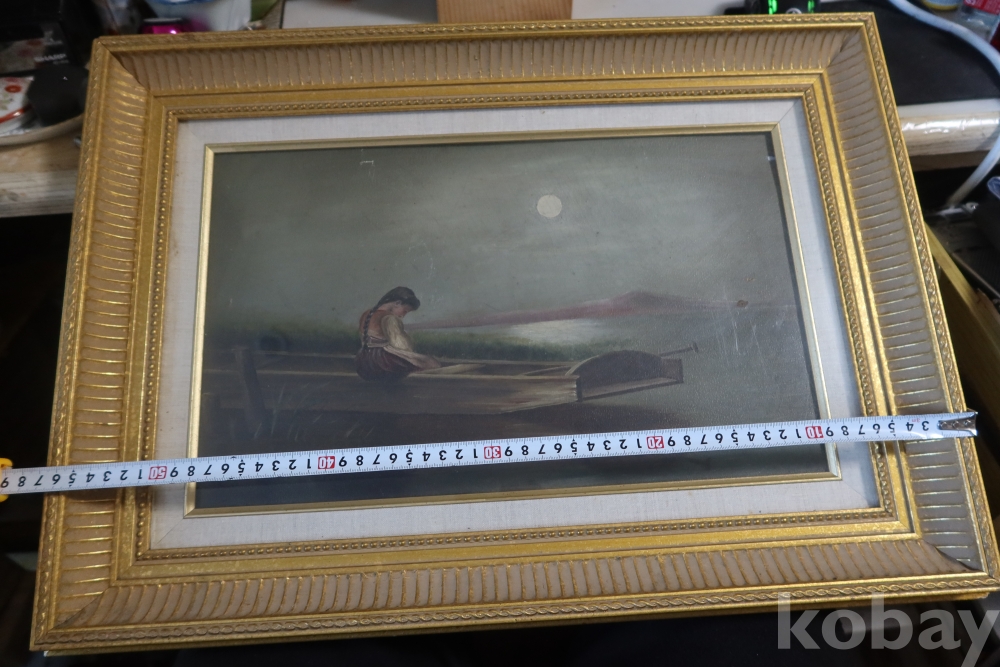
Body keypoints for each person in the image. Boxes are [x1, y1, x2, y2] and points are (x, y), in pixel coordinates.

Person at [355, 287, 441, 381]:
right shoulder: (390, 318)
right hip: (382, 362)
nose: (403, 315)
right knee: (431, 363)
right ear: (397, 303)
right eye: (405, 311)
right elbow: (401, 345)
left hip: (363, 361)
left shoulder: (366, 314)